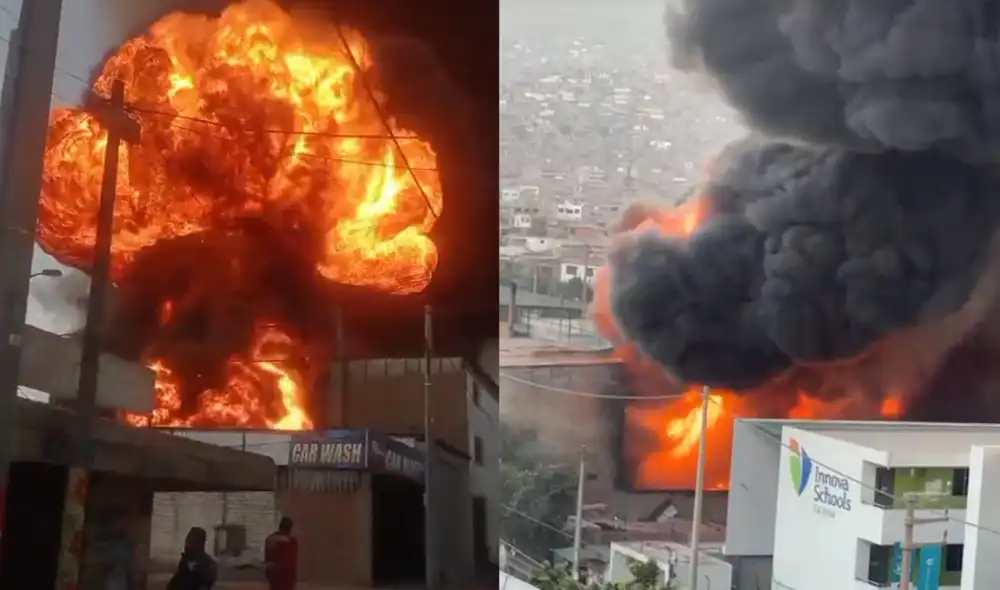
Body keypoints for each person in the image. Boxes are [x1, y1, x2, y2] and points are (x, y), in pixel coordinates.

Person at [264, 516, 299, 590]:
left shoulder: (270, 539)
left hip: (272, 574)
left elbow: (267, 558)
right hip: (285, 575)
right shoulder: (291, 541)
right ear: (289, 528)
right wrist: (294, 578)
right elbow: (292, 562)